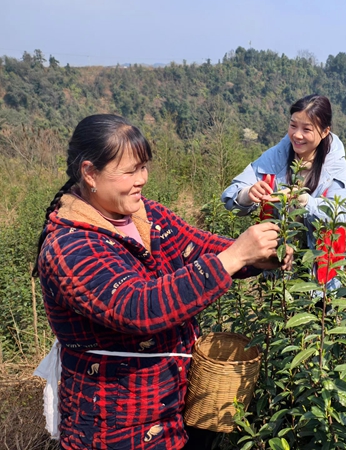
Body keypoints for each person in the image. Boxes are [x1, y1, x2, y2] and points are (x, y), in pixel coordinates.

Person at [33, 114, 293, 450]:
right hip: (111, 428)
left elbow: (198, 247)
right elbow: (138, 307)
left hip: (170, 413)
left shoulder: (146, 216)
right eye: (129, 171)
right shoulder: (68, 246)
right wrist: (234, 257)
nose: (141, 179)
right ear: (90, 173)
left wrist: (257, 257)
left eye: (144, 167)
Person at [221, 94, 346, 287]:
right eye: (293, 126)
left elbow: (340, 213)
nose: (297, 135)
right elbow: (231, 195)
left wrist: (305, 202)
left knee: (320, 314)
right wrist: (248, 194)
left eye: (307, 129)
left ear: (325, 132)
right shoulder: (277, 156)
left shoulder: (335, 166)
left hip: (321, 273)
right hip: (279, 269)